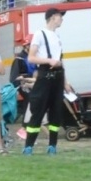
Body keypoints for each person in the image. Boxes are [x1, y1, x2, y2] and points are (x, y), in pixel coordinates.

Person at [22, 9, 68, 154]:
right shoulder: (39, 34)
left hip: (58, 76)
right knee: (38, 111)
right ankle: (29, 146)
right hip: (45, 74)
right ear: (53, 17)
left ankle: (52, 146)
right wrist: (49, 60)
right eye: (60, 16)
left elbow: (60, 60)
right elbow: (31, 57)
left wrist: (66, 82)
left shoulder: (57, 36)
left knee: (56, 112)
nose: (61, 19)